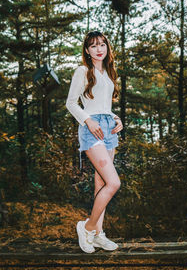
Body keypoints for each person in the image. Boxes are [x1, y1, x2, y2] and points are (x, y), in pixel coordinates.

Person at [66, 31, 123, 254]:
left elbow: (104, 106)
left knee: (102, 185)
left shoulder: (108, 73)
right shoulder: (83, 71)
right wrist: (88, 120)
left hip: (108, 128)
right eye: (93, 46)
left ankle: (99, 235)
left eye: (102, 44)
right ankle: (87, 227)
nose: (99, 49)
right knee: (114, 183)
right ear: (87, 51)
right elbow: (71, 103)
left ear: (107, 48)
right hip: (92, 129)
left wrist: (116, 118)